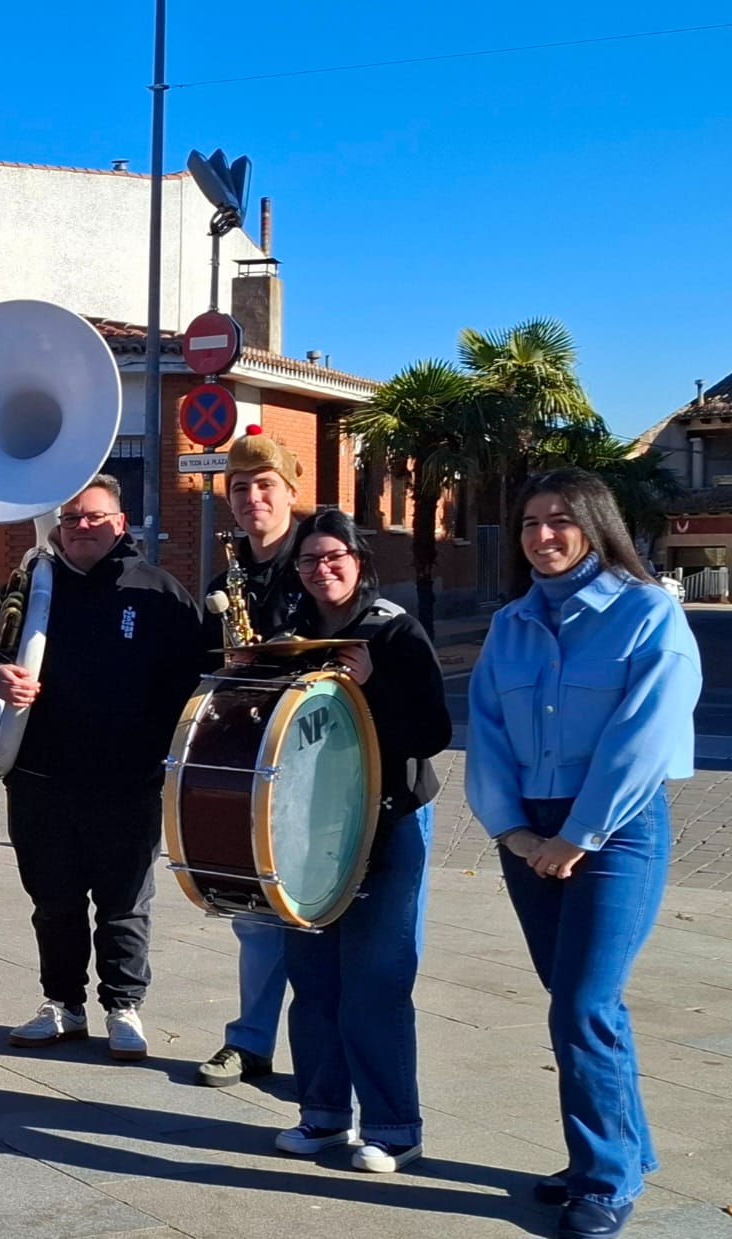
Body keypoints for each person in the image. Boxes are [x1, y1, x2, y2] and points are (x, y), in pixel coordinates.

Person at [467, 469, 701, 1239]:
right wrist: (515, 832)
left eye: (559, 520)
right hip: (529, 831)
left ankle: (604, 1178)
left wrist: (579, 834)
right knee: (581, 1003)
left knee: (584, 1004)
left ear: (595, 524)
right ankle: (619, 1149)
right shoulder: (509, 625)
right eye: (530, 522)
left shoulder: (647, 613)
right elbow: (488, 736)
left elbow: (644, 738)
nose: (542, 535)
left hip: (617, 828)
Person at [0, 475, 205, 1063]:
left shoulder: (160, 591)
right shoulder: (31, 583)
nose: (81, 527)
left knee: (124, 901)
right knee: (54, 900)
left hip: (128, 780)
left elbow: (192, 681)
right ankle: (62, 1004)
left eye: (94, 517)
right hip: (40, 778)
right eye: (70, 520)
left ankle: (123, 1006)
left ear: (121, 523)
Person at [269, 511, 450, 1175]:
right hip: (309, 827)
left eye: (333, 556)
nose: (323, 569)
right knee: (313, 978)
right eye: (310, 560)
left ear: (358, 558)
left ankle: (394, 1126)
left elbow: (432, 729)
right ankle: (321, 1114)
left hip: (387, 823)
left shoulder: (396, 630)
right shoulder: (294, 636)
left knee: (374, 979)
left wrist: (370, 684)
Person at [198, 426, 309, 1089]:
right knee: (255, 913)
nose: (251, 498)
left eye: (265, 485)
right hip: (255, 758)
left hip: (321, 758)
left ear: (291, 492)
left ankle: (327, 1052)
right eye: (239, 488)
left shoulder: (324, 558)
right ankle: (251, 1041)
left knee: (322, 919)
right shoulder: (228, 575)